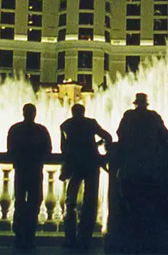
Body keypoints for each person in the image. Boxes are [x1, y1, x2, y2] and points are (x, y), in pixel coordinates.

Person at [115, 93, 168, 253]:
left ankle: (134, 240)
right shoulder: (154, 117)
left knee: (132, 204)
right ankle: (148, 241)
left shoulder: (128, 116)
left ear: (135, 104)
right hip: (151, 169)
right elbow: (165, 136)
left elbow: (120, 135)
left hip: (131, 169)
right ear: (146, 104)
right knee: (150, 204)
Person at [59, 104, 112, 252]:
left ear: (72, 112)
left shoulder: (65, 125)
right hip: (91, 165)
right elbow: (108, 136)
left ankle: (70, 238)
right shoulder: (91, 123)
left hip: (74, 166)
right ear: (83, 112)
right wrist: (104, 152)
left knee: (70, 202)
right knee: (90, 202)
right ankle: (85, 238)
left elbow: (64, 148)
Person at [7, 103, 52, 251]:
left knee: (19, 203)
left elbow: (10, 149)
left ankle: (19, 235)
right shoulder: (41, 130)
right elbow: (48, 149)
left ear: (23, 113)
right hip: (35, 170)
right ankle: (30, 235)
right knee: (34, 203)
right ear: (34, 113)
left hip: (21, 170)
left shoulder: (15, 129)